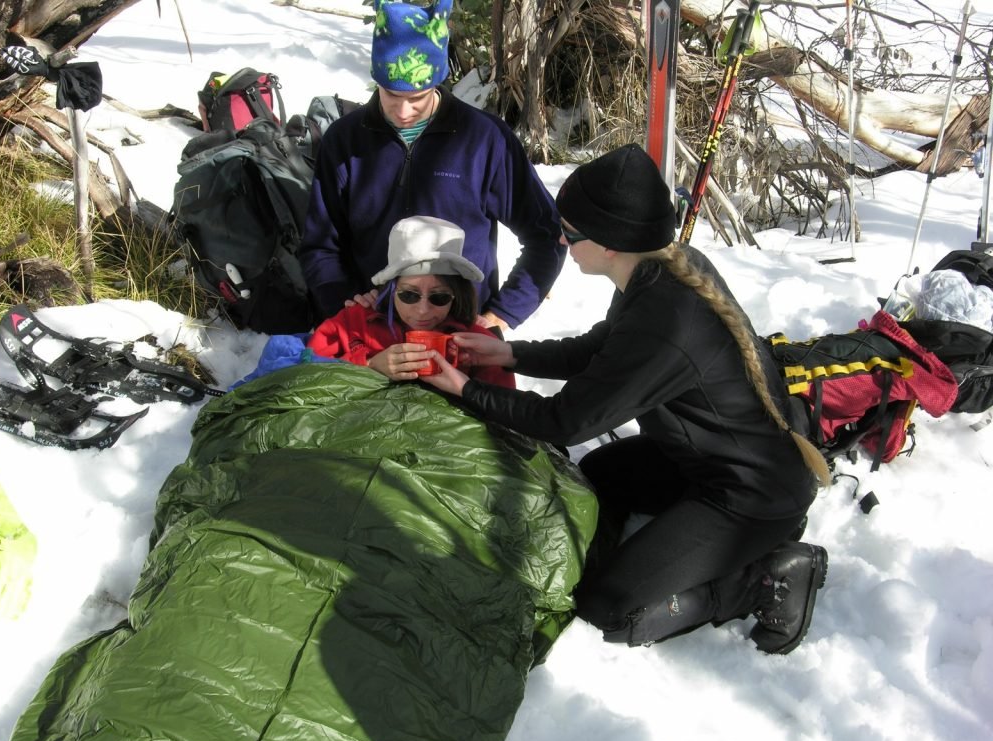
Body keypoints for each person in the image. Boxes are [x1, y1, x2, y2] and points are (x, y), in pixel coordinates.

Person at [422, 144, 832, 654]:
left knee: (609, 607)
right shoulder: (658, 272)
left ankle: (765, 575)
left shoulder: (668, 322)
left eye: (569, 232)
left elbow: (566, 419)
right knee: (601, 475)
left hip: (751, 496)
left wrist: (466, 389)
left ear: (611, 242)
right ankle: (655, 548)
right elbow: (600, 348)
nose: (561, 240)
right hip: (699, 461)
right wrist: (506, 352)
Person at [298, 0, 566, 333]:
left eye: (418, 97)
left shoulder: (484, 139)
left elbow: (548, 235)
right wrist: (345, 299)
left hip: (461, 331)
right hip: (372, 330)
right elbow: (319, 244)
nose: (404, 111)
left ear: (437, 82)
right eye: (391, 95)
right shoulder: (345, 140)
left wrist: (503, 314)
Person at [308, 215, 515, 388]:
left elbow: (505, 413)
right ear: (390, 289)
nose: (422, 311)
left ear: (456, 295)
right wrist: (369, 365)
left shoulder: (479, 343)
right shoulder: (353, 323)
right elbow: (304, 377)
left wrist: (464, 388)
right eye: (409, 295)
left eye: (439, 297)